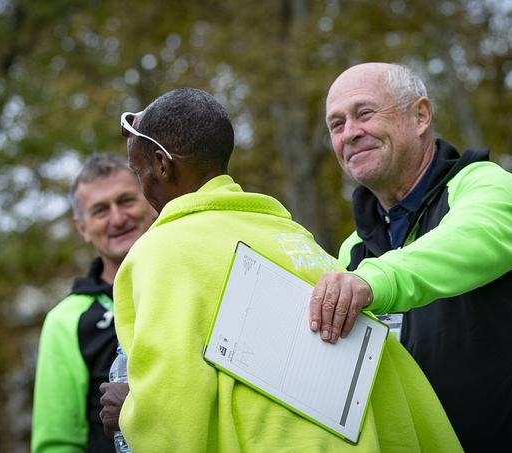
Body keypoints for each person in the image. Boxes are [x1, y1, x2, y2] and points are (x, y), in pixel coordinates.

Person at [107, 87, 462, 451]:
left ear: (162, 165)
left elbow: (174, 396)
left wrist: (130, 412)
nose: (143, 184)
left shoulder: (163, 250)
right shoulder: (299, 241)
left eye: (139, 172)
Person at [310, 62, 512, 452]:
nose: (350, 133)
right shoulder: (353, 250)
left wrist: (371, 280)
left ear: (421, 115)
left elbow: (468, 239)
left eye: (364, 113)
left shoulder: (486, 184)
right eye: (336, 124)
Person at [31, 153, 155, 452]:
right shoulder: (66, 320)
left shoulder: (189, 283)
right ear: (82, 227)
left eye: (126, 200)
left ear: (150, 203)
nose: (117, 218)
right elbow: (57, 443)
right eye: (100, 210)